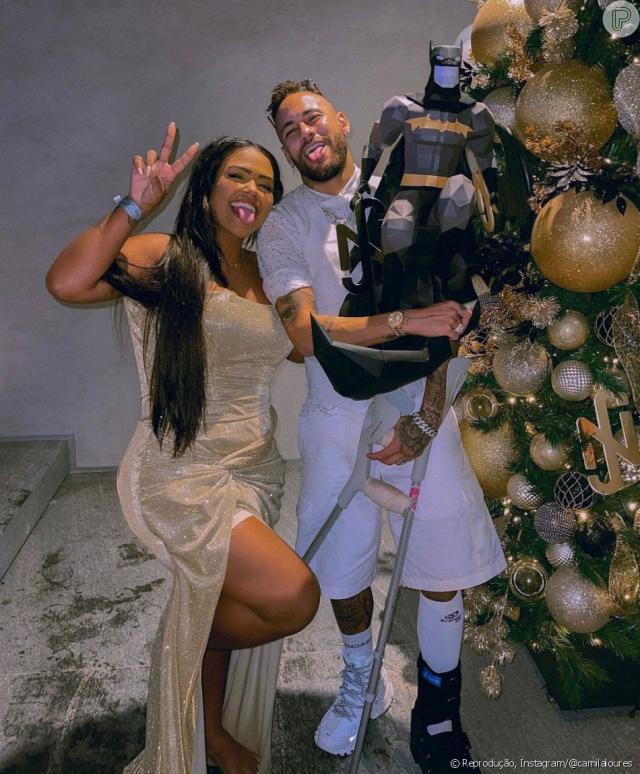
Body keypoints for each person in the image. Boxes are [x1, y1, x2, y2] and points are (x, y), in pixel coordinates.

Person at [46, 124, 320, 774]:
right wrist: (134, 204)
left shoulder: (267, 272)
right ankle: (183, 646)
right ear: (205, 189)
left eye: (265, 183)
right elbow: (67, 283)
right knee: (292, 597)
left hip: (257, 468)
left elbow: (307, 345)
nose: (253, 189)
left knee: (220, 595)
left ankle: (213, 732)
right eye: (237, 175)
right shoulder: (165, 254)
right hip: (181, 472)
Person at [257, 81, 506, 774]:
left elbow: (454, 308)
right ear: (286, 147)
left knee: (444, 562)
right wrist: (402, 321)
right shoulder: (284, 225)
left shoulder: (408, 188)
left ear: (341, 120)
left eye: (312, 116)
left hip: (420, 400)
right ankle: (362, 679)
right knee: (341, 570)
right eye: (289, 129)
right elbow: (304, 333)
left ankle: (438, 711)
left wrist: (427, 416)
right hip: (335, 407)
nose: (304, 132)